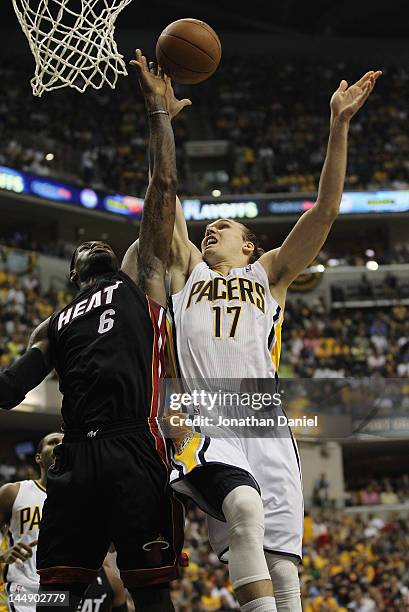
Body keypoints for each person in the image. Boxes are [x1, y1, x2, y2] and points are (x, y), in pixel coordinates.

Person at [165, 70, 381, 612]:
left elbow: (326, 210)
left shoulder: (271, 274)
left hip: (265, 416)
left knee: (284, 570)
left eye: (225, 227)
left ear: (250, 244)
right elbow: (162, 196)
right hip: (207, 413)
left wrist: (338, 126)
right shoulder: (187, 270)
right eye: (207, 226)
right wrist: (160, 124)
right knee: (243, 512)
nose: (211, 230)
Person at [0, 50, 183, 612]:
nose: (91, 246)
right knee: (58, 591)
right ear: (75, 275)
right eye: (83, 250)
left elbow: (162, 188)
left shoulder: (139, 276)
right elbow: (9, 389)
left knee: (150, 589)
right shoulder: (52, 324)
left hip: (130, 440)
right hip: (78, 456)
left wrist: (159, 116)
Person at [0, 432, 63, 612]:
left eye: (64, 443)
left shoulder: (80, 500)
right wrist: (2, 555)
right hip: (22, 591)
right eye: (53, 442)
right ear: (38, 457)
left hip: (61, 593)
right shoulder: (13, 491)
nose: (59, 445)